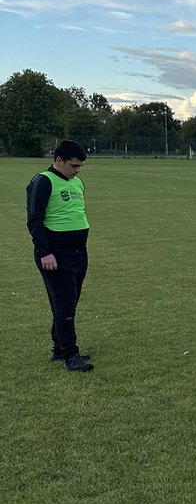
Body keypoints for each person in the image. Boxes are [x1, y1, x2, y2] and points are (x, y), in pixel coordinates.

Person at [26, 139, 93, 372]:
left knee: (69, 302)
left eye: (80, 167)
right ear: (58, 160)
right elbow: (34, 220)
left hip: (79, 253)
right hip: (55, 255)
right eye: (73, 166)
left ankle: (60, 348)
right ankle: (70, 355)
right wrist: (45, 252)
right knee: (64, 306)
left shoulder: (77, 182)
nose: (77, 171)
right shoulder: (43, 181)